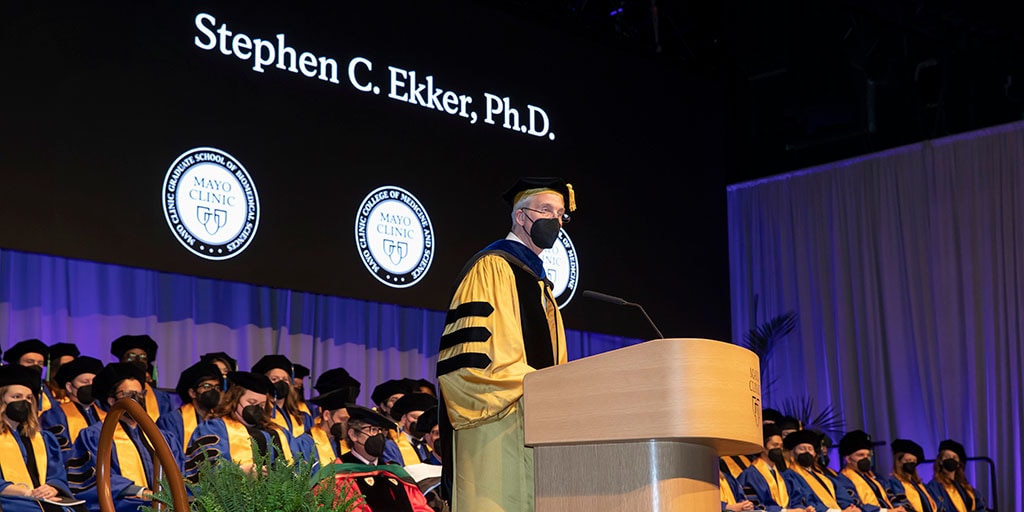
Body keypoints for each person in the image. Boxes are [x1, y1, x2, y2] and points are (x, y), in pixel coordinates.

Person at [435, 177, 574, 512]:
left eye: (560, 215)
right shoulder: (492, 268)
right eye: (545, 210)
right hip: (497, 426)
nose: (554, 221)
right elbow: (471, 363)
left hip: (535, 426)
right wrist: (536, 385)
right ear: (520, 217)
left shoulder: (540, 285)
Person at [66, 363, 161, 512]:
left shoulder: (162, 436)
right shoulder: (94, 435)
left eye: (139, 393)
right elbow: (93, 478)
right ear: (112, 401)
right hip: (119, 504)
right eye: (128, 395)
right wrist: (139, 491)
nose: (136, 399)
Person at [0, 364, 86, 512]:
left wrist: (52, 488)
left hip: (41, 499)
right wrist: (27, 492)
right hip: (9, 499)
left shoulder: (44, 439)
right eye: (16, 397)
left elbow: (57, 475)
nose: (24, 402)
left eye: (28, 398)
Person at [184, 371, 295, 478]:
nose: (256, 408)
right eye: (251, 402)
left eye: (261, 405)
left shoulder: (278, 431)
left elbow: (299, 465)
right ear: (235, 400)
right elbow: (205, 469)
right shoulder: (214, 428)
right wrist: (238, 472)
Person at [39, 356, 104, 462]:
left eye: (94, 382)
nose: (91, 385)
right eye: (85, 382)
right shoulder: (54, 416)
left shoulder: (106, 415)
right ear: (69, 387)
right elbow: (57, 455)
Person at [737, 424, 813, 512]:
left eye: (781, 446)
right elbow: (754, 506)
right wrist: (783, 511)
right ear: (763, 448)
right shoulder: (750, 475)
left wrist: (803, 510)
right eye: (775, 445)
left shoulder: (783, 476)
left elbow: (796, 499)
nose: (779, 449)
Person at [781, 429, 860, 512]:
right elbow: (806, 501)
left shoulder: (824, 477)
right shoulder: (789, 476)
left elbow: (842, 496)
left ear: (814, 454)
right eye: (802, 449)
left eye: (810, 449)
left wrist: (850, 508)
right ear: (792, 453)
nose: (807, 452)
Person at [156, 361, 222, 455]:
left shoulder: (221, 420)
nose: (213, 391)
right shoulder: (170, 421)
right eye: (207, 386)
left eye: (217, 387)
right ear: (192, 393)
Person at [834, 430, 905, 512]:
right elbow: (854, 506)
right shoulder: (842, 481)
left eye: (868, 455)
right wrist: (886, 511)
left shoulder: (876, 478)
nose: (866, 458)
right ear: (848, 459)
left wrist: (899, 508)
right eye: (860, 455)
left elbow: (891, 497)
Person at [109, 335, 173, 421]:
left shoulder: (161, 397)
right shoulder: (111, 392)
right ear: (121, 361)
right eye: (132, 356)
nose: (138, 360)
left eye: (143, 357)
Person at [251, 355, 312, 436]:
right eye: (274, 379)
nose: (281, 383)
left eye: (285, 379)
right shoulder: (258, 415)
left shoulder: (303, 417)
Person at [926, 439, 986, 512]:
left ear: (958, 464)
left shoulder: (966, 487)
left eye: (954, 457)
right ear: (940, 461)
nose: (951, 459)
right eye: (947, 457)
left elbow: (980, 506)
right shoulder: (933, 487)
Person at [884, 439, 937, 512]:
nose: (912, 463)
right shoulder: (893, 482)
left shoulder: (919, 485)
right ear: (899, 462)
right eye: (908, 460)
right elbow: (901, 505)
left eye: (914, 461)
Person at [3, 339, 51, 413]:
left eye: (40, 363)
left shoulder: (47, 390)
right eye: (30, 362)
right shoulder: (7, 386)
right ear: (17, 363)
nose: (36, 365)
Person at [390, 393, 436, 465]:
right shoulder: (392, 445)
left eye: (424, 419)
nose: (419, 422)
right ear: (404, 419)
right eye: (415, 418)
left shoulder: (431, 444)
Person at [45, 342, 81, 407]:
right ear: (54, 368)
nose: (68, 368)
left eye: (72, 364)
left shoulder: (78, 389)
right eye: (64, 365)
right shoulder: (44, 390)